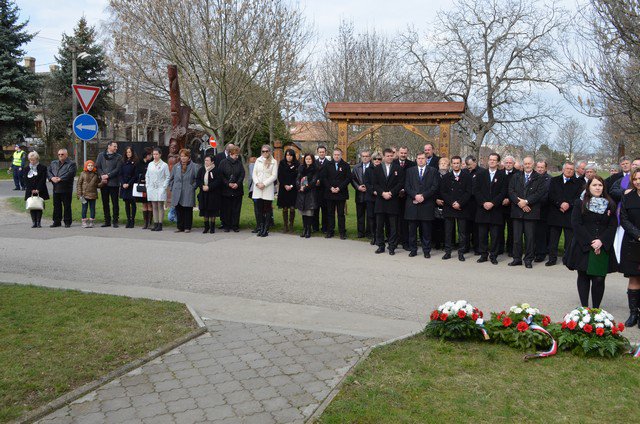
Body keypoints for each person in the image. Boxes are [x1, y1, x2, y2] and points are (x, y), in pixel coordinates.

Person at [565, 176, 617, 308]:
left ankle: (595, 309)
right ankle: (584, 308)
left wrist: (601, 241)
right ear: (588, 187)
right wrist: (591, 242)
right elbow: (576, 223)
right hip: (583, 244)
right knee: (583, 276)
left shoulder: (610, 204)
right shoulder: (580, 203)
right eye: (594, 185)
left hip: (602, 246)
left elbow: (612, 225)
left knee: (599, 278)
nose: (598, 188)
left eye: (600, 185)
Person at [508, 156, 547, 268]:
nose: (527, 165)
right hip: (517, 211)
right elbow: (511, 191)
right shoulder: (516, 176)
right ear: (522, 165)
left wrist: (526, 202)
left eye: (529, 163)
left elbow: (539, 193)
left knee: (530, 238)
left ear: (533, 164)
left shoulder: (539, 178)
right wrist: (519, 202)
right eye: (525, 164)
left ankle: (528, 259)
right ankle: (517, 259)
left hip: (531, 211)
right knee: (517, 238)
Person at [474, 153, 508, 265]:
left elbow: (503, 192)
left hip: (495, 210)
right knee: (482, 235)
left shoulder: (502, 176)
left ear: (498, 162)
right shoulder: (480, 174)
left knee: (495, 235)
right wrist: (484, 203)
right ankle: (483, 255)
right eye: (490, 159)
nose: (492, 161)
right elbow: (476, 190)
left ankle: (493, 255)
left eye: (494, 160)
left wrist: (493, 203)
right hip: (482, 209)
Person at [404, 152, 439, 258]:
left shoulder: (433, 171)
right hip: (412, 204)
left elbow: (434, 186)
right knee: (412, 230)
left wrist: (423, 196)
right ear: (416, 159)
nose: (420, 160)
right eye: (418, 158)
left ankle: (426, 251)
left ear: (426, 160)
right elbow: (407, 186)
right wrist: (415, 195)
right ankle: (413, 250)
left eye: (423, 158)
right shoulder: (410, 171)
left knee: (426, 230)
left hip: (426, 204)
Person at [546, 162, 582, 266]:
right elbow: (551, 195)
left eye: (571, 169)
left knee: (569, 239)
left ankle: (567, 259)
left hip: (569, 214)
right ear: (563, 169)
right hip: (556, 213)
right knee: (553, 240)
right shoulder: (554, 180)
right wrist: (560, 204)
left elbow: (578, 197)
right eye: (567, 169)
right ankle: (552, 259)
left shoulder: (579, 183)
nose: (569, 171)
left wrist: (569, 205)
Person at [372, 148, 405, 255]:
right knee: (379, 226)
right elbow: (375, 184)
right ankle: (380, 246)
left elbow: (400, 183)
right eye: (388, 156)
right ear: (383, 157)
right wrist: (382, 193)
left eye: (391, 156)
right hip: (380, 201)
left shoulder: (398, 168)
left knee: (393, 226)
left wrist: (391, 193)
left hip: (393, 200)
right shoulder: (377, 169)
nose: (390, 157)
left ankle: (392, 246)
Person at [440, 156, 472, 261]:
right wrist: (452, 203)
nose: (456, 165)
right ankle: (447, 252)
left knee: (462, 232)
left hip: (462, 207)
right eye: (454, 163)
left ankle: (461, 252)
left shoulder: (467, 176)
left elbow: (468, 192)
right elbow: (443, 192)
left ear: (461, 164)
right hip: (449, 207)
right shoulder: (446, 177)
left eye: (458, 163)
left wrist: (460, 203)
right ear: (451, 164)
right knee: (448, 232)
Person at [620, 169, 640, 327]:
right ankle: (633, 313)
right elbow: (624, 219)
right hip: (632, 242)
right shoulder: (628, 197)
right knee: (634, 278)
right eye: (635, 179)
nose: (638, 181)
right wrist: (638, 235)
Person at [169, 148, 199, 233]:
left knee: (187, 210)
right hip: (177, 191)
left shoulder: (194, 166)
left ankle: (187, 227)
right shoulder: (176, 166)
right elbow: (171, 179)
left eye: (185, 156)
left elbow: (197, 179)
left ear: (188, 157)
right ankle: (180, 227)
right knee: (179, 209)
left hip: (188, 191)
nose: (183, 158)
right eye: (181, 156)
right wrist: (172, 188)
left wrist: (193, 187)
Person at [323, 148, 351, 239]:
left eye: (338, 154)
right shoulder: (327, 165)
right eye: (335, 154)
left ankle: (342, 232)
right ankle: (330, 231)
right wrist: (330, 188)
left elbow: (348, 178)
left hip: (341, 193)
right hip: (330, 193)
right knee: (330, 213)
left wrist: (339, 188)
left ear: (341, 155)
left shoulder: (346, 165)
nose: (336, 156)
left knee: (341, 214)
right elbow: (324, 178)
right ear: (333, 155)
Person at [252, 145, 278, 237]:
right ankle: (261, 227)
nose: (265, 153)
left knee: (267, 209)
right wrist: (257, 183)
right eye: (263, 151)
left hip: (267, 187)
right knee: (259, 210)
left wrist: (264, 184)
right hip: (258, 187)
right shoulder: (258, 160)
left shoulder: (274, 162)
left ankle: (266, 229)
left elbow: (274, 176)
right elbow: (254, 173)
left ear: (270, 151)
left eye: (267, 151)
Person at [96, 141, 123, 228]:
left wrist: (108, 175)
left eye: (116, 146)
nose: (116, 148)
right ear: (109, 146)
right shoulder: (101, 155)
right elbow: (98, 167)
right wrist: (102, 175)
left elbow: (118, 169)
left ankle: (115, 221)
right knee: (105, 203)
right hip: (104, 183)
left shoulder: (119, 157)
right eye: (114, 146)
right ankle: (107, 221)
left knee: (115, 203)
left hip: (114, 183)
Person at [47, 148, 77, 228]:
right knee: (56, 205)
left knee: (67, 206)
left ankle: (67, 222)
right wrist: (52, 178)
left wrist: (60, 179)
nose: (60, 156)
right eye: (59, 154)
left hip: (66, 188)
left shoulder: (72, 164)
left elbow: (71, 173)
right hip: (56, 187)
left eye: (62, 154)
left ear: (66, 155)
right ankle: (56, 221)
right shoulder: (53, 163)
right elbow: (48, 171)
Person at [394, 146, 416, 249]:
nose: (403, 155)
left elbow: (412, 180)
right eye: (401, 153)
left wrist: (404, 190)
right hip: (395, 196)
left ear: (407, 153)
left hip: (407, 196)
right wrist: (397, 190)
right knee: (394, 220)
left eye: (405, 153)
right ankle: (394, 240)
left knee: (405, 220)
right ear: (398, 153)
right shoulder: (393, 163)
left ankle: (405, 241)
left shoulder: (412, 164)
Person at [219, 145, 245, 232]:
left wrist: (237, 183)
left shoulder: (239, 163)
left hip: (237, 190)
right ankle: (227, 225)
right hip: (226, 190)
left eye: (237, 155)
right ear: (230, 154)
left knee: (236, 209)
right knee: (227, 209)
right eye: (235, 155)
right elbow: (221, 175)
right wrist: (228, 184)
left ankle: (235, 225)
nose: (237, 157)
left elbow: (242, 174)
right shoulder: (223, 162)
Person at [146, 147, 170, 231]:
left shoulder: (164, 165)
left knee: (160, 205)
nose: (155, 156)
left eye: (156, 154)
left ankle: (160, 224)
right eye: (154, 154)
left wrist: (164, 186)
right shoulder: (150, 164)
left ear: (160, 155)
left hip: (160, 187)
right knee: (154, 205)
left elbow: (167, 177)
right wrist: (147, 185)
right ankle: (155, 223)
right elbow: (147, 175)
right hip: (152, 187)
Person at [464, 155, 484, 255]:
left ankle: (477, 247)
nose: (469, 167)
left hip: (477, 203)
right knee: (466, 227)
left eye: (470, 164)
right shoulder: (464, 172)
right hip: (466, 203)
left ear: (475, 162)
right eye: (467, 165)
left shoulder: (482, 172)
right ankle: (465, 247)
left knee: (477, 227)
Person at [499, 155, 518, 256]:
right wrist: (501, 199)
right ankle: (499, 248)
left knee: (512, 229)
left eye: (510, 163)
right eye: (506, 162)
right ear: (503, 163)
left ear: (514, 164)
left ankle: (511, 249)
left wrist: (510, 199)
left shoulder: (518, 174)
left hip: (513, 206)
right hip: (500, 205)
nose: (508, 164)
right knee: (499, 228)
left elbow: (518, 190)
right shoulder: (499, 173)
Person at [197, 155, 222, 233]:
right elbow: (198, 179)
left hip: (213, 193)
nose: (206, 162)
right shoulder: (202, 169)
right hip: (203, 193)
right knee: (204, 210)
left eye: (207, 160)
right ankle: (206, 226)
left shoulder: (216, 170)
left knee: (213, 210)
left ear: (212, 162)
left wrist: (209, 187)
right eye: (205, 160)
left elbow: (218, 181)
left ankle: (212, 227)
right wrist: (202, 186)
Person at [296, 153, 318, 238]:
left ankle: (308, 230)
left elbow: (314, 181)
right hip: (302, 193)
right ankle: (304, 229)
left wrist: (305, 188)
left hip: (310, 193)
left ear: (312, 160)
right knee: (303, 213)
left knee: (309, 213)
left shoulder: (315, 168)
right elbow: (297, 179)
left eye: (309, 159)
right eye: (306, 159)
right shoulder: (301, 168)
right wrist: (299, 186)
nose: (308, 160)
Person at [534, 160, 552, 262]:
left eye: (542, 167)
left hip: (543, 209)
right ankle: (532, 251)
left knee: (541, 233)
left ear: (545, 168)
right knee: (533, 232)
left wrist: (534, 201)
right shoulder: (532, 177)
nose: (540, 169)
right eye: (538, 167)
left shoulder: (549, 179)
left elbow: (547, 195)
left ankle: (541, 254)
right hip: (531, 209)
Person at [352, 149, 373, 238]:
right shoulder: (356, 167)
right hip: (359, 194)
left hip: (370, 195)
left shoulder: (374, 167)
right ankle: (360, 232)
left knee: (370, 215)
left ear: (370, 157)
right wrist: (358, 187)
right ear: (360, 157)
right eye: (363, 156)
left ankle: (369, 232)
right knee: (360, 214)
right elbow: (352, 179)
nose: (365, 158)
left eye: (367, 156)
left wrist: (369, 187)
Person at [24, 151, 48, 227]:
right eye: (30, 160)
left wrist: (38, 189)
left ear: (37, 159)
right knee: (32, 206)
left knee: (38, 206)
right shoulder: (26, 168)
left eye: (34, 160)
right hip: (30, 190)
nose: (32, 161)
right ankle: (34, 222)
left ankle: (38, 222)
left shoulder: (43, 168)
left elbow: (43, 180)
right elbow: (26, 180)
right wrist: (31, 189)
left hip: (40, 189)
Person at [277, 149, 299, 233]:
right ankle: (285, 225)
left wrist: (291, 185)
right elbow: (280, 176)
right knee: (285, 208)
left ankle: (291, 225)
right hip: (284, 188)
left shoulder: (297, 164)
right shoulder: (282, 163)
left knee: (292, 208)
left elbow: (297, 177)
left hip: (293, 188)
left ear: (293, 156)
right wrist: (285, 185)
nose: (288, 157)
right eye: (287, 155)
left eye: (290, 155)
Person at [364, 153, 381, 245]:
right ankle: (373, 236)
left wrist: (379, 192)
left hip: (381, 197)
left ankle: (379, 237)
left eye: (379, 159)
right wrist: (373, 191)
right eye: (375, 159)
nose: (377, 160)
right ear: (372, 159)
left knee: (380, 218)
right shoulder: (368, 170)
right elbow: (366, 183)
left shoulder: (383, 169)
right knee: (371, 217)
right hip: (371, 197)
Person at [77, 160, 100, 228]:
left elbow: (98, 184)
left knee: (92, 208)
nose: (90, 167)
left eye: (91, 165)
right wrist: (79, 194)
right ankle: (84, 222)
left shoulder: (96, 174)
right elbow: (79, 184)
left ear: (93, 167)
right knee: (84, 208)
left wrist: (102, 182)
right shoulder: (82, 174)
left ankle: (91, 222)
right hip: (84, 195)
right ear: (86, 166)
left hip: (93, 195)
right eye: (89, 165)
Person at [120, 146, 138, 228]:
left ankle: (132, 220)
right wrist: (123, 183)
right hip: (124, 185)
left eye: (129, 152)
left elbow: (135, 175)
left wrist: (129, 184)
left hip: (131, 185)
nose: (128, 154)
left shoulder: (135, 162)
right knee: (126, 203)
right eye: (127, 152)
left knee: (132, 203)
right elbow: (120, 174)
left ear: (132, 153)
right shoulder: (123, 161)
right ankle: (128, 220)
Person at [313, 145, 330, 233]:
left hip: (325, 190)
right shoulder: (314, 163)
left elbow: (329, 176)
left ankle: (324, 228)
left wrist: (322, 181)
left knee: (325, 210)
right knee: (315, 209)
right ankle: (315, 227)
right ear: (317, 152)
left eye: (323, 152)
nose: (321, 153)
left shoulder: (329, 163)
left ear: (325, 152)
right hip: (315, 190)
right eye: (320, 152)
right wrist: (315, 181)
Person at [136, 147, 153, 229]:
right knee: (144, 204)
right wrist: (142, 178)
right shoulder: (139, 163)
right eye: (150, 155)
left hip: (149, 185)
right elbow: (137, 173)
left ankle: (149, 222)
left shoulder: (151, 163)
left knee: (149, 204)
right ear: (146, 155)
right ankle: (145, 223)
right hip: (142, 185)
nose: (151, 156)